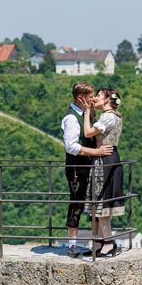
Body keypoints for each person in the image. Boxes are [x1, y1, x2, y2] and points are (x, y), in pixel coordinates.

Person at [62, 82, 113, 258]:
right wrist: (96, 152)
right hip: (77, 167)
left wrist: (89, 112)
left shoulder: (84, 113)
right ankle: (72, 245)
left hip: (88, 166)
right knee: (77, 202)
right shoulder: (71, 118)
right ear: (80, 98)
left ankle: (98, 242)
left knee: (92, 204)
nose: (93, 99)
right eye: (90, 96)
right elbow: (72, 147)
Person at [80, 87, 125, 257]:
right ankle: (99, 241)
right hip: (105, 159)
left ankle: (108, 243)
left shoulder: (108, 117)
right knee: (98, 204)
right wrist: (90, 110)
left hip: (104, 161)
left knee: (102, 204)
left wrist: (86, 113)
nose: (96, 98)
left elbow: (88, 132)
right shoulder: (110, 116)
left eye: (98, 95)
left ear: (107, 99)